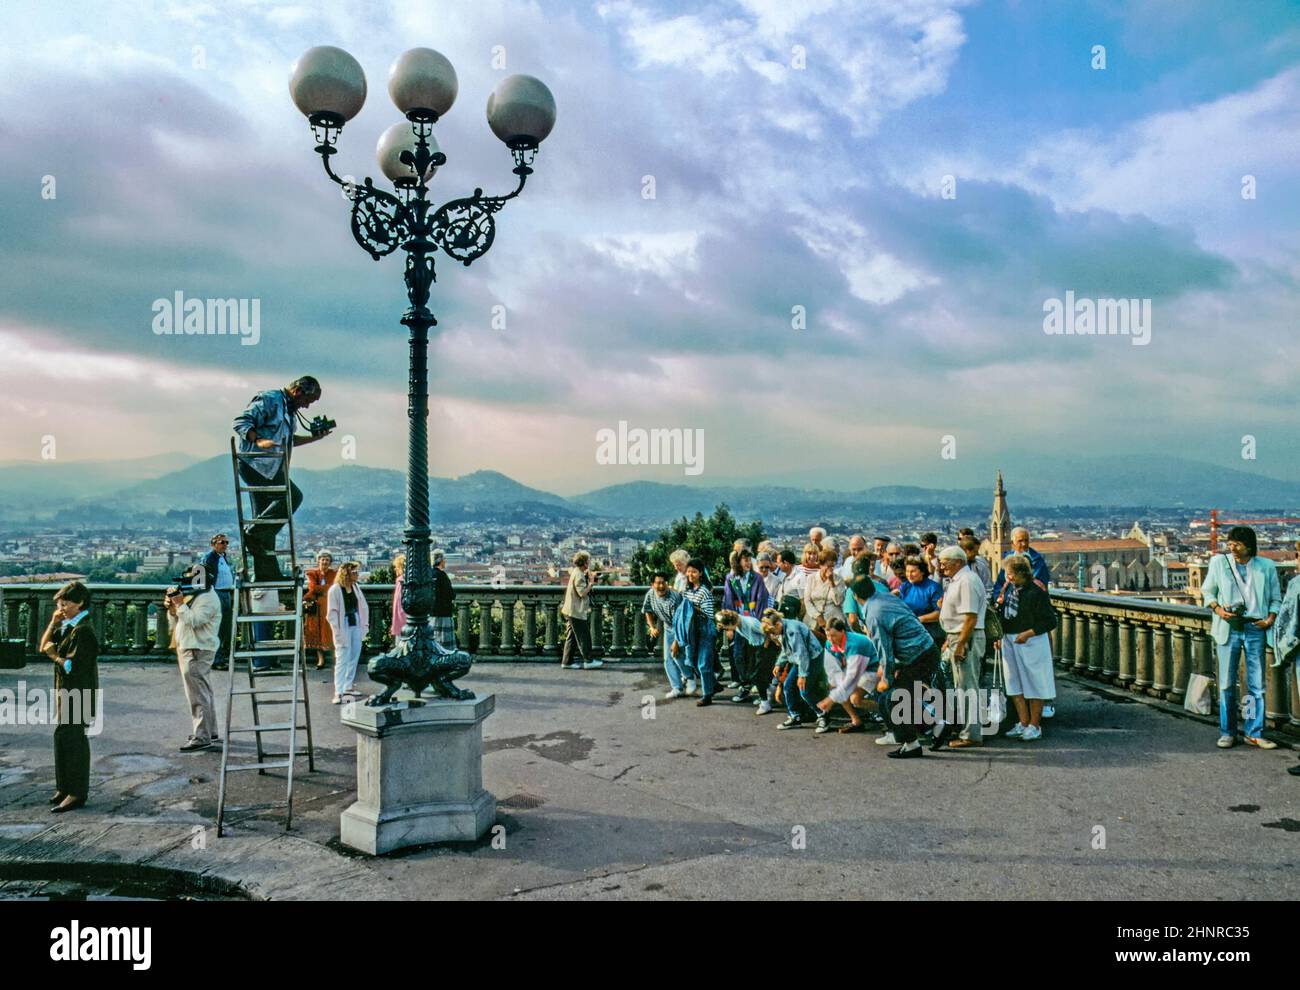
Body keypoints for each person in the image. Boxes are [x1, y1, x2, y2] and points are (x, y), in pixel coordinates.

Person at [231, 376, 331, 581]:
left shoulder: (289, 412)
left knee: (267, 519)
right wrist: (259, 440)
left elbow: (290, 441)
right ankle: (254, 533)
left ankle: (267, 575)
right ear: (298, 391)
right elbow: (241, 422)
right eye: (308, 400)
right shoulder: (271, 399)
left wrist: (316, 437)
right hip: (256, 464)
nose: (307, 405)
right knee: (293, 497)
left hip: (271, 467)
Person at [1201, 526, 1280, 750]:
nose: (1233, 548)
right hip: (1229, 627)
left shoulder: (1266, 566)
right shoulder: (1219, 563)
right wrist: (1218, 610)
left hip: (1256, 627)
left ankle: (1254, 732)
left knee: (1256, 684)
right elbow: (1208, 592)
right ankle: (1228, 731)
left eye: (1238, 544)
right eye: (1231, 543)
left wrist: (1270, 618)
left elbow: (1276, 598)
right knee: (1226, 682)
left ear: (1249, 546)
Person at [851, 576, 941, 758]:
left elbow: (884, 649)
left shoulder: (873, 614)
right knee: (895, 696)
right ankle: (933, 727)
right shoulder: (886, 597)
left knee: (892, 697)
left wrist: (887, 677)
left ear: (855, 596)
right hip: (924, 651)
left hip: (918, 656)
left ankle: (914, 743)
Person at [37, 581, 99, 813]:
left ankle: (77, 792)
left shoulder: (83, 631)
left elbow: (71, 666)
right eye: (59, 604)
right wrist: (53, 624)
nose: (61, 608)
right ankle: (64, 786)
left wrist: (54, 655)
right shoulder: (69, 626)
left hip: (79, 692)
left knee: (74, 740)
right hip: (67, 692)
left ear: (80, 602)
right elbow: (42, 645)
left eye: (66, 603)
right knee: (63, 736)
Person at [997, 555, 1058, 742]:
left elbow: (1050, 620)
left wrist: (1028, 633)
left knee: (1034, 683)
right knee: (1014, 683)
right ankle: (1023, 723)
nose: (1008, 577)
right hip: (1010, 639)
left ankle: (1034, 725)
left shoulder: (1036, 592)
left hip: (1030, 641)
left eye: (1011, 574)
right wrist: (999, 635)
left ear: (1022, 574)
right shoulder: (1010, 590)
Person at [166, 564, 222, 752]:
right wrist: (173, 607)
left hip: (198, 648)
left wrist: (180, 604)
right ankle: (209, 731)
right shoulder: (198, 595)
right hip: (191, 646)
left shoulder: (207, 598)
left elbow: (194, 621)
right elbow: (178, 621)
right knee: (203, 690)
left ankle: (202, 736)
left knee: (197, 693)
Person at [937, 545, 988, 750]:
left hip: (966, 638)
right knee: (963, 686)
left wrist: (960, 644)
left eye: (944, 563)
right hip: (958, 636)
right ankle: (968, 730)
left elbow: (970, 618)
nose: (941, 567)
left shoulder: (966, 581)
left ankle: (971, 734)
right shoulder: (960, 580)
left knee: (967, 687)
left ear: (957, 562)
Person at [760, 609, 828, 731]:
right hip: (799, 660)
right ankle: (795, 716)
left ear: (778, 624)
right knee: (788, 686)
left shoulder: (793, 631)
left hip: (813, 658)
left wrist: (802, 676)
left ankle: (823, 715)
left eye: (773, 631)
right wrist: (779, 664)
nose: (774, 635)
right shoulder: (783, 627)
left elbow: (802, 654)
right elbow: (787, 650)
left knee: (804, 690)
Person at [813, 617, 878, 734]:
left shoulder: (855, 644)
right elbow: (832, 670)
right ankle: (856, 721)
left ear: (843, 631)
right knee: (837, 686)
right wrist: (834, 686)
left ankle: (886, 711)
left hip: (873, 668)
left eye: (833, 635)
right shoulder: (829, 643)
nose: (830, 639)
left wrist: (830, 699)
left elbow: (852, 677)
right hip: (854, 669)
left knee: (855, 699)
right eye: (828, 635)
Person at [723, 548, 771, 700]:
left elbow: (762, 601)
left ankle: (761, 689)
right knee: (738, 656)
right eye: (745, 559)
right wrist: (729, 626)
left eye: (750, 560)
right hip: (739, 625)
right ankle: (745, 685)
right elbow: (728, 601)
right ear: (738, 561)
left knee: (756, 658)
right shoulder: (731, 578)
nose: (749, 563)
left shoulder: (757, 578)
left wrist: (759, 622)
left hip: (755, 623)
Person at [716, 609, 780, 715]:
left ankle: (765, 703)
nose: (727, 630)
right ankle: (768, 691)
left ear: (731, 623)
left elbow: (768, 633)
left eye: (726, 627)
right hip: (755, 646)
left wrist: (767, 645)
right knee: (751, 674)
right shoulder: (737, 623)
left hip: (765, 647)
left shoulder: (750, 623)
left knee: (757, 676)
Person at [672, 558, 717, 706]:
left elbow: (709, 614)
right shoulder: (687, 590)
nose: (691, 574)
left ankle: (707, 695)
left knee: (703, 663)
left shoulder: (704, 591)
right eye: (689, 571)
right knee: (693, 661)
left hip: (705, 629)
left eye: (694, 571)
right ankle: (713, 685)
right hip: (691, 630)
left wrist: (692, 607)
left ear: (700, 574)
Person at [327, 561, 369, 704]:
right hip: (343, 623)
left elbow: (361, 606)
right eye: (354, 572)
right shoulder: (335, 590)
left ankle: (348, 687)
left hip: (355, 622)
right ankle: (338, 691)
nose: (357, 574)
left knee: (354, 655)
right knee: (342, 658)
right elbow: (332, 614)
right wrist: (337, 631)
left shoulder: (356, 587)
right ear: (347, 573)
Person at [643, 571, 690, 698]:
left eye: (663, 583)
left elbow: (680, 622)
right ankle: (677, 688)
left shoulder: (674, 598)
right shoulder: (650, 594)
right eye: (658, 583)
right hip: (668, 626)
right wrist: (652, 627)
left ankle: (689, 677)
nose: (661, 586)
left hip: (682, 626)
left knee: (678, 655)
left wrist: (676, 642)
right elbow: (647, 610)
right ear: (652, 585)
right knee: (668, 658)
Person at [561, 551, 600, 670]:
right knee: (584, 636)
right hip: (576, 611)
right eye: (588, 560)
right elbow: (582, 593)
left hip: (570, 610)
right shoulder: (578, 575)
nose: (589, 562)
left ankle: (567, 661)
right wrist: (591, 584)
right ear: (584, 562)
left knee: (572, 637)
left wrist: (588, 576)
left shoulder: (577, 572)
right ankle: (588, 660)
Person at [202, 533, 235, 671]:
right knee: (217, 628)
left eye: (227, 542)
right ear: (213, 544)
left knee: (224, 628)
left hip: (225, 593)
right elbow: (206, 577)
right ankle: (216, 659)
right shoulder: (209, 558)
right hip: (216, 594)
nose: (225, 545)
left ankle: (220, 657)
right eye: (222, 542)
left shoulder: (223, 557)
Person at [899, 556, 945, 646]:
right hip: (911, 634)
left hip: (931, 635)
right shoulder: (905, 586)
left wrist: (921, 619)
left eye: (913, 571)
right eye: (907, 571)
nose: (909, 575)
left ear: (922, 572)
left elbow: (940, 612)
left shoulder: (933, 588)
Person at [803, 547, 846, 638]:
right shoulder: (811, 578)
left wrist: (831, 582)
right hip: (813, 617)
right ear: (821, 565)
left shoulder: (838, 579)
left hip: (833, 617)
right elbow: (807, 601)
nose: (830, 569)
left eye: (832, 566)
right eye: (828, 566)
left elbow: (838, 601)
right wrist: (818, 617)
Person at [305, 551, 337, 670]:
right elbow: (312, 588)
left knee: (332, 631)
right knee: (317, 632)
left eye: (327, 560)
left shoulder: (334, 573)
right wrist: (326, 588)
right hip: (317, 608)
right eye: (322, 559)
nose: (324, 562)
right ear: (318, 561)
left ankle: (335, 659)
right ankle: (321, 659)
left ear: (330, 562)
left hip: (330, 606)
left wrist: (320, 589)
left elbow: (334, 587)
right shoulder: (312, 573)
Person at [431, 549, 458, 649]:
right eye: (444, 559)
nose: (445, 561)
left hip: (431, 613)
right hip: (444, 613)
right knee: (444, 642)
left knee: (433, 638)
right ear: (440, 561)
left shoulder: (429, 574)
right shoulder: (442, 576)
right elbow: (450, 594)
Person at [389, 552, 407, 644]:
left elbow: (399, 605)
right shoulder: (402, 580)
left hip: (402, 622)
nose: (395, 569)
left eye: (396, 567)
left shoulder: (401, 581)